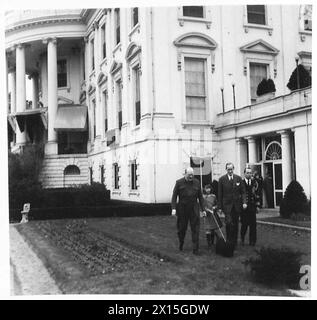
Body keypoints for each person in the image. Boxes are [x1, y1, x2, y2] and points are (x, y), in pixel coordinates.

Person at [171, 167, 206, 255]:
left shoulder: (197, 182)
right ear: (185, 174)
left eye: (192, 175)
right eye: (189, 175)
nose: (191, 176)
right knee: (182, 228)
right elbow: (174, 197)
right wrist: (174, 208)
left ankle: (195, 249)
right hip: (183, 209)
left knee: (196, 229)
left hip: (194, 208)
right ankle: (181, 242)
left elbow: (200, 197)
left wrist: (203, 209)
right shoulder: (179, 183)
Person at [218, 163, 247, 248]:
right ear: (226, 169)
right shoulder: (222, 179)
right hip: (227, 206)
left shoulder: (238, 178)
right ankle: (229, 241)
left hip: (237, 206)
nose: (230, 171)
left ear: (233, 169)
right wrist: (219, 207)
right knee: (229, 223)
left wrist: (244, 202)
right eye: (228, 169)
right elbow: (220, 194)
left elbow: (243, 191)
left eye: (231, 169)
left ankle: (234, 242)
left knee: (236, 224)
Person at [240, 167, 258, 246]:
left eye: (250, 173)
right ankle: (242, 238)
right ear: (244, 174)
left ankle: (252, 241)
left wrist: (257, 205)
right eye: (247, 173)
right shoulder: (241, 183)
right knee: (244, 224)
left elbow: (257, 195)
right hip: (244, 207)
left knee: (253, 225)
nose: (249, 174)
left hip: (252, 207)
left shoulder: (254, 182)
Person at [201, 184, 218, 250]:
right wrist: (207, 210)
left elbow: (217, 204)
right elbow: (202, 206)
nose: (208, 190)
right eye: (206, 188)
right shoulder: (202, 197)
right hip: (207, 215)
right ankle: (209, 244)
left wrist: (214, 207)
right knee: (208, 229)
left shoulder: (214, 196)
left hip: (213, 214)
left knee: (213, 228)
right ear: (204, 189)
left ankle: (213, 243)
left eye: (209, 188)